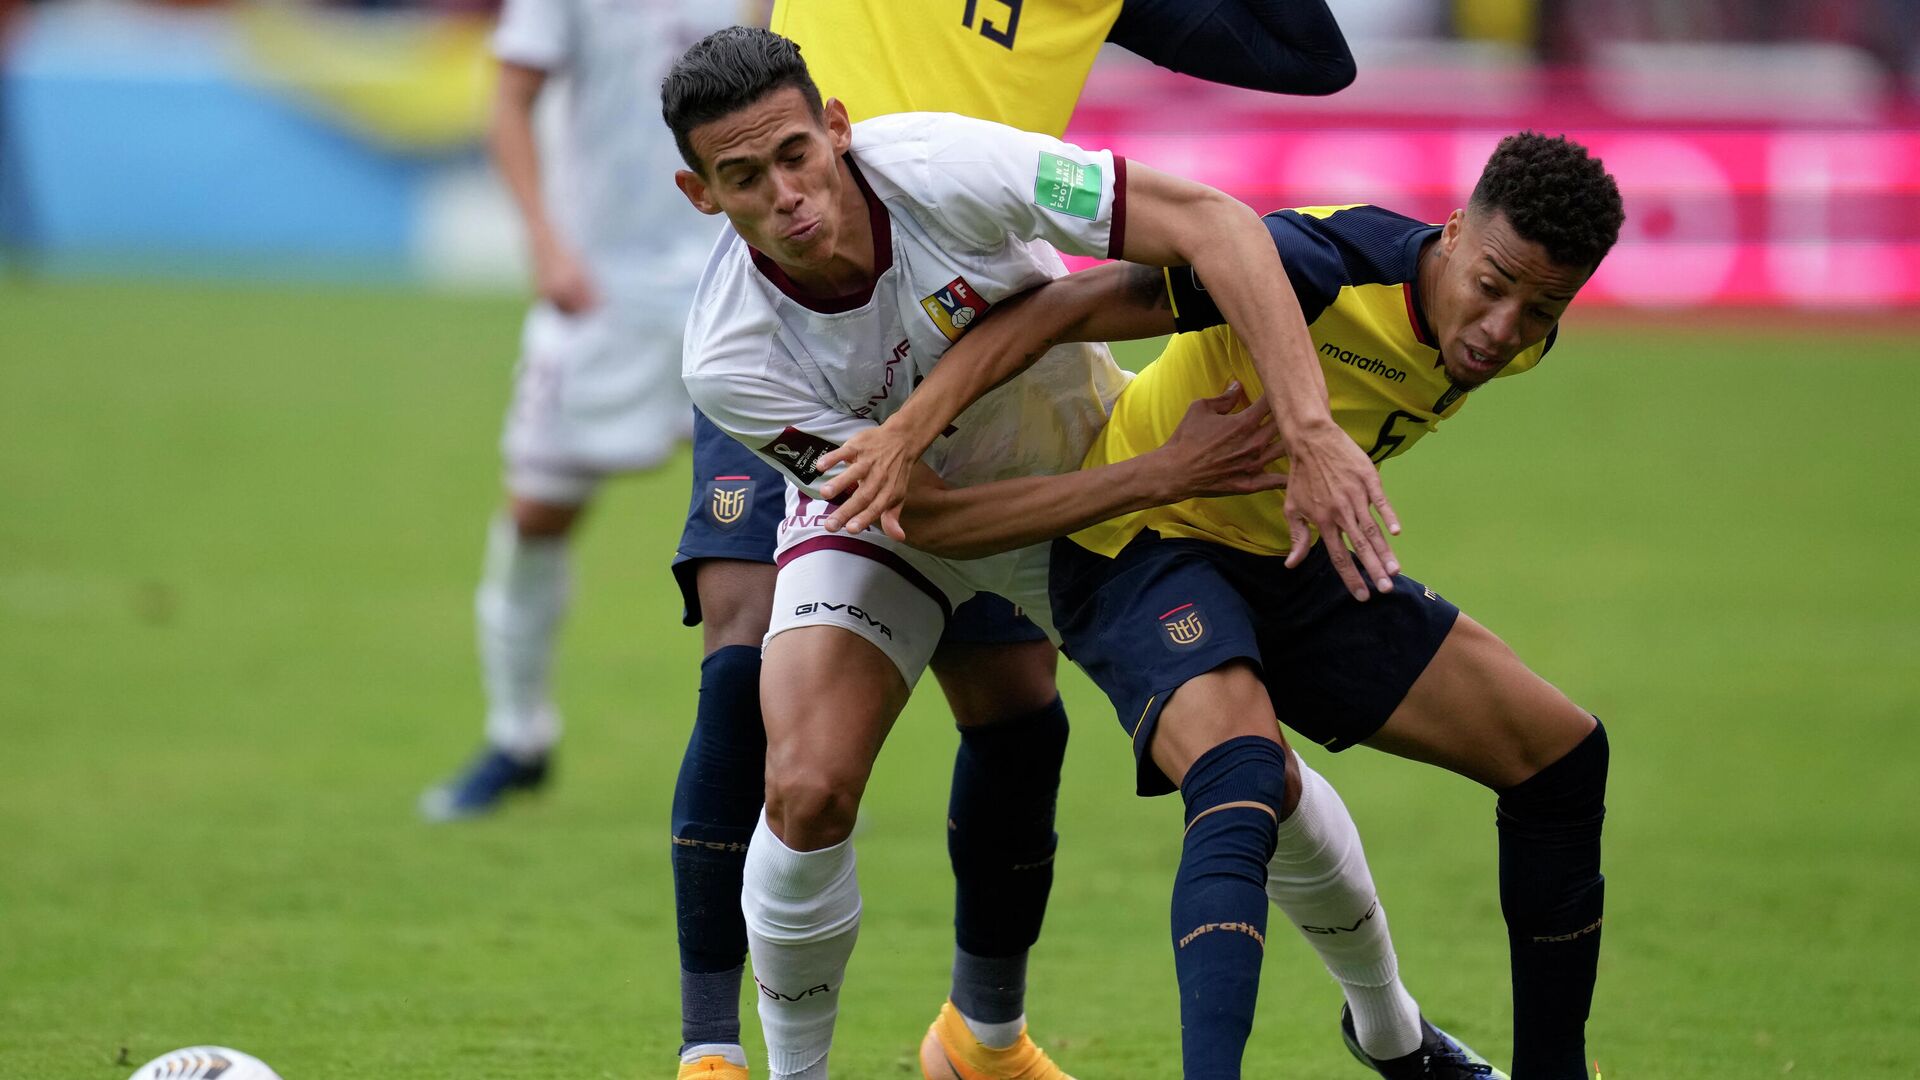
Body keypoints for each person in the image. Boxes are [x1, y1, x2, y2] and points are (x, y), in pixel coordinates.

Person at [660, 26, 1487, 1080]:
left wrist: (1309, 426)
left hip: (1080, 481)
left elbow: (1214, 223)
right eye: (743, 177)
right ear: (702, 195)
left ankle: (1394, 1031)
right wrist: (1162, 476)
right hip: (899, 528)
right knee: (808, 786)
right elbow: (931, 518)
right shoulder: (727, 355)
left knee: (1253, 769)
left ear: (835, 129)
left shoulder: (943, 166)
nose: (785, 194)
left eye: (795, 155)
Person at [820, 131, 1625, 1080]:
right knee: (1241, 778)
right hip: (1143, 543)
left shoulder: (1519, 334)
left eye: (1541, 307)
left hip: (1291, 560)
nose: (1503, 328)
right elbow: (1058, 308)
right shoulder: (1315, 266)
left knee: (1563, 759)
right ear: (1451, 234)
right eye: (1491, 286)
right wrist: (906, 434)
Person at [417, 0, 731, 820]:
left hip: (735, 276)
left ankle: (782, 755)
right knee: (536, 511)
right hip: (604, 285)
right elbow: (510, 99)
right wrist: (545, 242)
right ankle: (517, 736)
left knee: (773, 529)